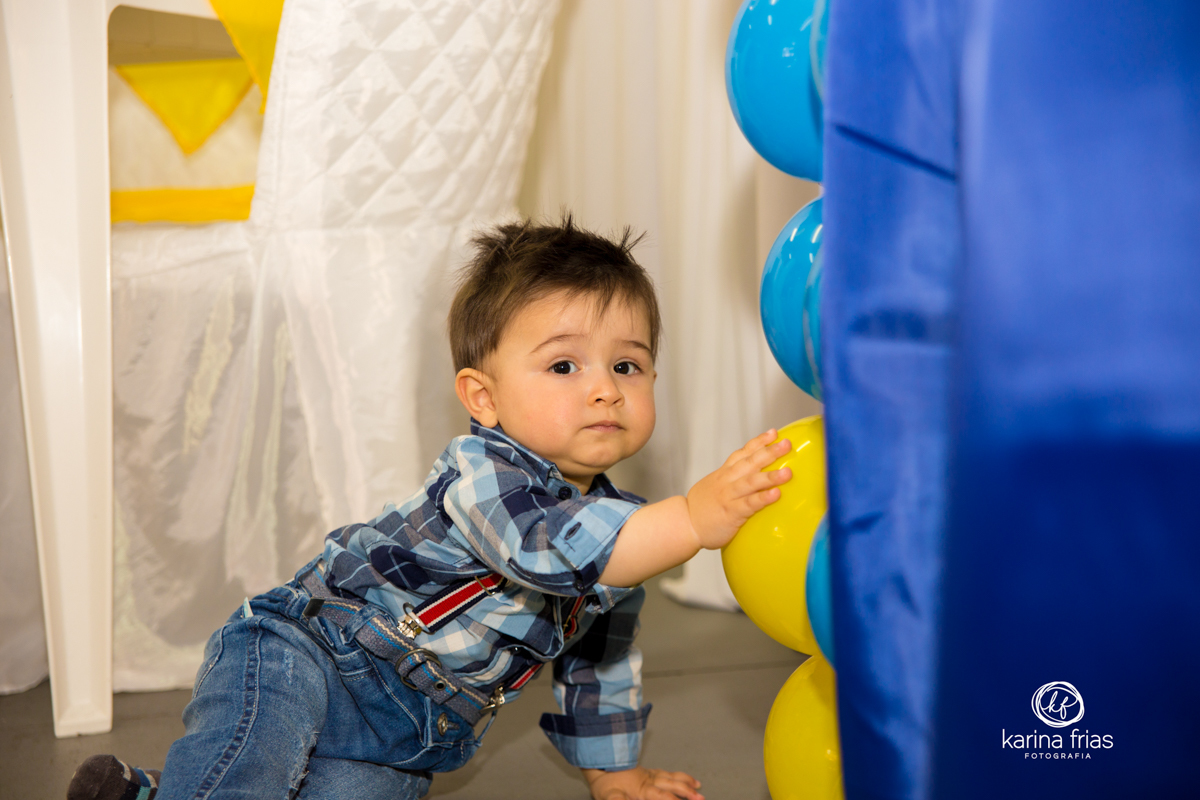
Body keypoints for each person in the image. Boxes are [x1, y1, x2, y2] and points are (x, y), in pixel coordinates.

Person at [68, 217, 793, 800]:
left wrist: (614, 775)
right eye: (564, 365)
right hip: (312, 653)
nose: (605, 388)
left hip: (413, 734)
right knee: (262, 744)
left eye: (627, 365)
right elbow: (546, 548)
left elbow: (601, 665)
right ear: (484, 397)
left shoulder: (621, 540)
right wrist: (691, 520)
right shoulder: (480, 475)